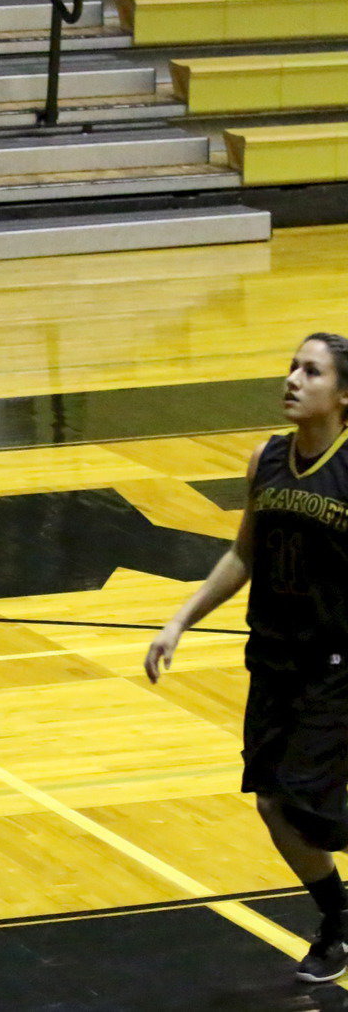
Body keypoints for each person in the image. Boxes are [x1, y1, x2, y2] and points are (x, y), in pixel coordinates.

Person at [146, 333, 348, 983]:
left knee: (305, 802)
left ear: (343, 395)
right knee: (271, 803)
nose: (292, 379)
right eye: (292, 367)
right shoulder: (265, 458)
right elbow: (242, 555)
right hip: (272, 657)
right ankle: (338, 919)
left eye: (311, 371)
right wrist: (179, 620)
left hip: (336, 664)